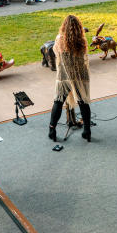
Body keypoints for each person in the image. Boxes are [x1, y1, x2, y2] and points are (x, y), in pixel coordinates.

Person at [47, 14, 92, 142]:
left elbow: (56, 53)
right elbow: (84, 57)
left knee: (58, 101)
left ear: (64, 26)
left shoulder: (59, 39)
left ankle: (52, 129)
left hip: (64, 75)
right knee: (83, 102)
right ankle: (87, 131)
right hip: (79, 75)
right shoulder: (82, 40)